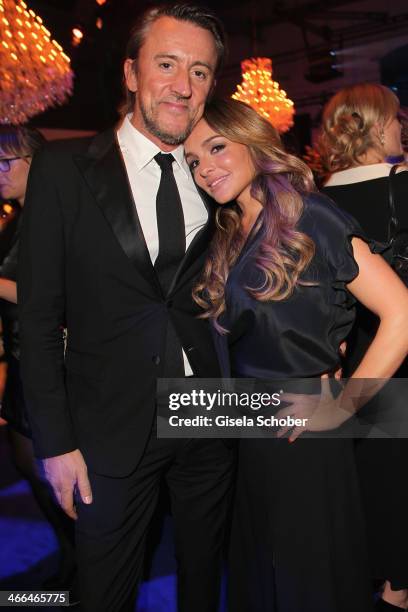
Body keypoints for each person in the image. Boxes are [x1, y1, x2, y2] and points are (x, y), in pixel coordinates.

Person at [18, 5, 234, 612]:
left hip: (208, 410)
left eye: (199, 71)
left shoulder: (214, 169)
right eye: (166, 64)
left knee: (204, 574)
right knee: (103, 589)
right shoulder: (64, 170)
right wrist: (55, 444)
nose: (183, 85)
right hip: (107, 423)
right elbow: (37, 318)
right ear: (132, 73)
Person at [184, 98, 408, 612]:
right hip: (250, 431)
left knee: (310, 582)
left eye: (216, 148)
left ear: (252, 141)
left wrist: (345, 404)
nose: (205, 168)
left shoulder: (312, 215)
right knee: (264, 577)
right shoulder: (228, 233)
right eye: (194, 160)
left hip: (303, 433)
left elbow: (400, 312)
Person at [320, 83, 408, 612]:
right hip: (403, 344)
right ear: (376, 126)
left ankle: (388, 581)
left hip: (360, 360)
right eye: (397, 118)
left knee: (378, 475)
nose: (402, 126)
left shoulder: (318, 199)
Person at [0, 126, 77, 595]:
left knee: (51, 471)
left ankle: (85, 566)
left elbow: (52, 297)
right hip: (20, 352)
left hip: (47, 358)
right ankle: (72, 558)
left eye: (7, 162)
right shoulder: (15, 219)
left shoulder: (54, 217)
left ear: (35, 162)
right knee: (27, 464)